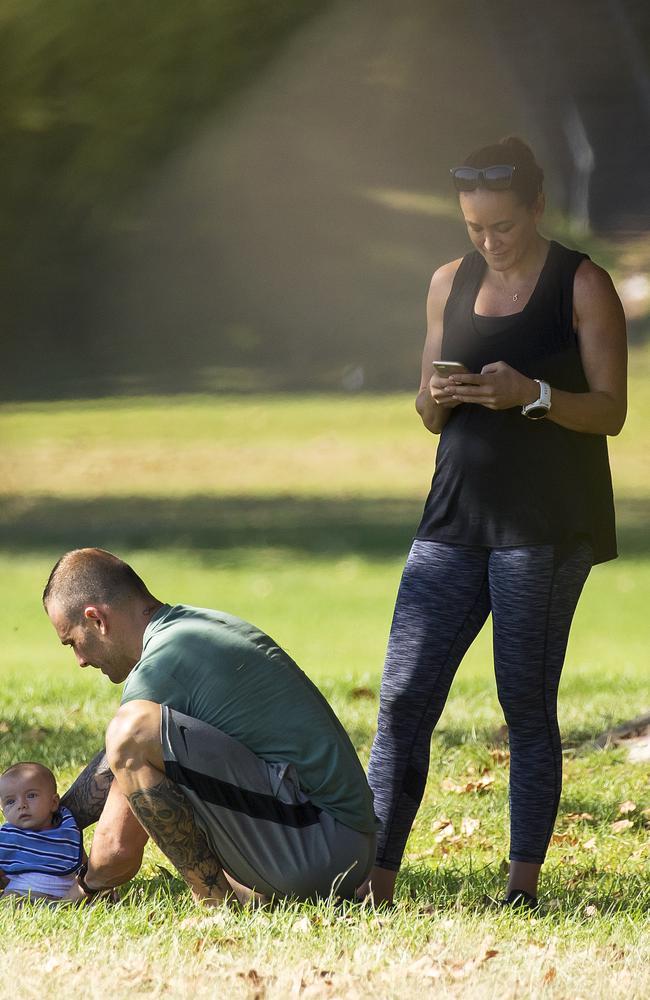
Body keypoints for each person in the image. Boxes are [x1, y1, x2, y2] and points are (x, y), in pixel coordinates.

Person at [361, 136, 627, 908]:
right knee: (404, 697)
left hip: (542, 526)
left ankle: (521, 887)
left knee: (524, 703)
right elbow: (423, 408)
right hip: (452, 517)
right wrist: (438, 399)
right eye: (473, 226)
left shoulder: (583, 284)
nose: (486, 240)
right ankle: (375, 880)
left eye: (501, 226)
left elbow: (610, 411)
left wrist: (533, 395)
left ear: (537, 208)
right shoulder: (448, 281)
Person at [42, 548, 378, 905]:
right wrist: (41, 829)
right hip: (342, 843)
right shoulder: (189, 630)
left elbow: (116, 852)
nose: (79, 660)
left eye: (72, 642)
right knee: (134, 735)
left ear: (97, 619)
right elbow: (114, 764)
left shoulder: (163, 664)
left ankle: (215, 900)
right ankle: (251, 888)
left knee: (132, 730)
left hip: (320, 849)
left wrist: (80, 887)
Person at [0, 762, 83, 901]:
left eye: (31, 795)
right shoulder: (7, 837)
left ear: (54, 802)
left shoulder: (66, 830)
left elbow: (83, 864)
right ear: (3, 812)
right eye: (10, 802)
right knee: (10, 900)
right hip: (21, 894)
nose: (22, 805)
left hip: (67, 895)